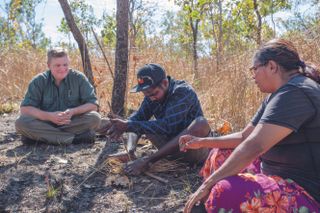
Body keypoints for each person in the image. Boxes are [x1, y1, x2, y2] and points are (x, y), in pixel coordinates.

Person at [179, 39, 320, 212]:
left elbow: (255, 145)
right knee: (220, 154)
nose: (253, 75)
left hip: (306, 192)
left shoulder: (297, 91)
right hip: (276, 174)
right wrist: (201, 141)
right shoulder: (277, 94)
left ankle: (214, 201)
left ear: (271, 66)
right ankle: (211, 202)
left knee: (227, 191)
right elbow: (245, 137)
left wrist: (209, 183)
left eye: (254, 69)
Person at [99, 63, 211, 175]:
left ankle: (148, 161)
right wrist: (123, 125)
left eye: (154, 93)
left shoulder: (182, 92)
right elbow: (138, 118)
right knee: (135, 121)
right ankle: (129, 152)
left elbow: (169, 127)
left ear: (165, 83)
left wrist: (147, 160)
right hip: (170, 150)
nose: (151, 98)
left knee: (201, 123)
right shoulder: (151, 96)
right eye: (147, 95)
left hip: (194, 150)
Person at [15, 48, 101, 145]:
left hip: (72, 123)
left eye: (65, 65)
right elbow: (25, 110)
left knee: (95, 118)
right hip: (45, 123)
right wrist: (49, 116)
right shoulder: (39, 80)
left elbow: (93, 105)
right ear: (49, 65)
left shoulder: (78, 78)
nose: (62, 68)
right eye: (57, 65)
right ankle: (74, 139)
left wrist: (73, 111)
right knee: (21, 123)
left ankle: (40, 138)